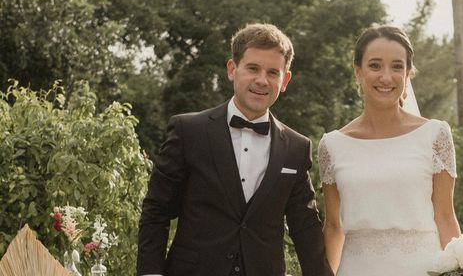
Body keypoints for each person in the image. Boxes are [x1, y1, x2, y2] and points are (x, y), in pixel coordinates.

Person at [137, 23, 333, 276]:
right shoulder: (188, 131)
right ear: (232, 69)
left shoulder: (296, 147)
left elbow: (305, 227)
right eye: (253, 68)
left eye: (273, 72)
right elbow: (156, 212)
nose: (262, 80)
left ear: (285, 80)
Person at [318, 25, 461, 276]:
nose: (386, 76)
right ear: (358, 71)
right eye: (375, 65)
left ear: (407, 73)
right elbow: (332, 226)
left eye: (397, 66)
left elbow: (446, 217)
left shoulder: (435, 135)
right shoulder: (332, 145)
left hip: (423, 269)